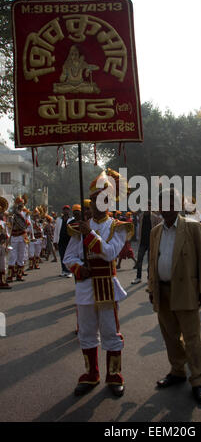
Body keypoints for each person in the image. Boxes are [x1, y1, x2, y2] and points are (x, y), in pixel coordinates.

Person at [63, 169, 133, 397]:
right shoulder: (78, 228)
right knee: (86, 332)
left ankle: (114, 376)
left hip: (107, 286)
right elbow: (68, 257)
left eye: (103, 199)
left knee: (111, 331)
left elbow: (111, 253)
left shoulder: (117, 226)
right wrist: (78, 268)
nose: (98, 203)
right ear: (90, 202)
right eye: (94, 200)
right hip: (85, 287)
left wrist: (90, 235)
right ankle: (91, 374)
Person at [147, 188, 201, 404]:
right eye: (162, 203)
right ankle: (177, 371)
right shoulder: (156, 231)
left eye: (170, 203)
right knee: (170, 336)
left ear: (178, 205)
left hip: (185, 290)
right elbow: (153, 263)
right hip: (162, 291)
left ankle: (198, 380)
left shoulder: (192, 227)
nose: (166, 208)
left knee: (192, 338)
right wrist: (151, 288)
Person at [131, 205, 161, 285]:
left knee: (150, 261)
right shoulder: (140, 216)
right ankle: (138, 277)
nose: (147, 208)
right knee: (139, 260)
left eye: (149, 207)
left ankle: (149, 278)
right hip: (142, 242)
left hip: (151, 241)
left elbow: (159, 228)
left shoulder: (155, 217)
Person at [7, 196, 30, 282]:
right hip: (14, 236)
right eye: (19, 204)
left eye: (22, 204)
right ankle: (10, 276)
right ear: (16, 204)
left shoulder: (25, 213)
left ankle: (19, 274)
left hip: (23, 236)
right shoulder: (12, 213)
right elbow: (9, 224)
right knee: (13, 256)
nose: (21, 205)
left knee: (21, 255)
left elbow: (27, 224)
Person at [53, 205, 73, 277]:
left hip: (69, 241)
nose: (65, 211)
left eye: (67, 210)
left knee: (69, 256)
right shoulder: (59, 219)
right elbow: (56, 231)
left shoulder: (72, 219)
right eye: (64, 210)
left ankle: (69, 271)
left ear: (69, 211)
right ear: (63, 211)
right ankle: (64, 270)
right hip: (61, 240)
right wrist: (55, 241)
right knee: (62, 256)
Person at [0, 196, 10, 289]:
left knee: (3, 263)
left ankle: (2, 281)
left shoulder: (3, 223)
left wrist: (7, 245)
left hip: (1, 244)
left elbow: (6, 235)